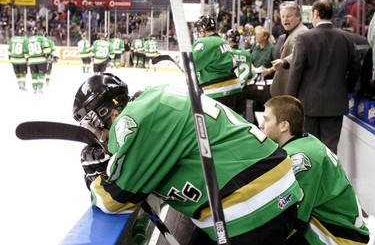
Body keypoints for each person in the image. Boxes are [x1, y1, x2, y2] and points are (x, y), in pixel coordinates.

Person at [73, 73, 301, 245]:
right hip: (266, 190)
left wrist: (96, 178)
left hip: (250, 205)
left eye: (93, 126)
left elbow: (114, 200)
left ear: (108, 113)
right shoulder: (154, 98)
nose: (97, 135)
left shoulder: (132, 121)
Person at [260, 95, 370, 245]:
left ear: (284, 126)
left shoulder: (301, 157)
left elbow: (295, 218)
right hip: (336, 225)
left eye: (266, 119)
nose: (261, 125)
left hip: (341, 237)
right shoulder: (305, 142)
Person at [287, 0, 361, 154]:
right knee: (330, 150)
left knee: (308, 149)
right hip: (335, 103)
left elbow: (296, 71)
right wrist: (346, 87)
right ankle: (329, 178)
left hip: (309, 104)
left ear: (316, 13)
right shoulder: (347, 38)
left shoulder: (305, 38)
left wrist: (290, 99)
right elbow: (355, 68)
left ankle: (312, 178)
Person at [192, 15, 242, 111]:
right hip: (234, 88)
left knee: (212, 125)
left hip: (217, 91)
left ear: (202, 30)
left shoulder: (204, 42)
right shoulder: (223, 41)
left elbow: (190, 65)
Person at [270, 1, 309, 96]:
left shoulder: (302, 32)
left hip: (292, 88)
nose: (285, 19)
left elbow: (297, 54)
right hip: (285, 88)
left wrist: (284, 61)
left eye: (289, 16)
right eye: (283, 17)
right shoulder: (291, 32)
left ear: (298, 17)